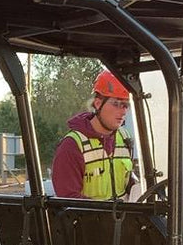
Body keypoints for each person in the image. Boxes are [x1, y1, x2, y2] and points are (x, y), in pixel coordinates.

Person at [51, 70, 137, 199]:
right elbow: (68, 200)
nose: (123, 111)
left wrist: (136, 188)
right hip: (89, 219)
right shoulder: (72, 146)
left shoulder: (125, 138)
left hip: (123, 218)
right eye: (116, 104)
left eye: (126, 105)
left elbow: (127, 180)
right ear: (98, 104)